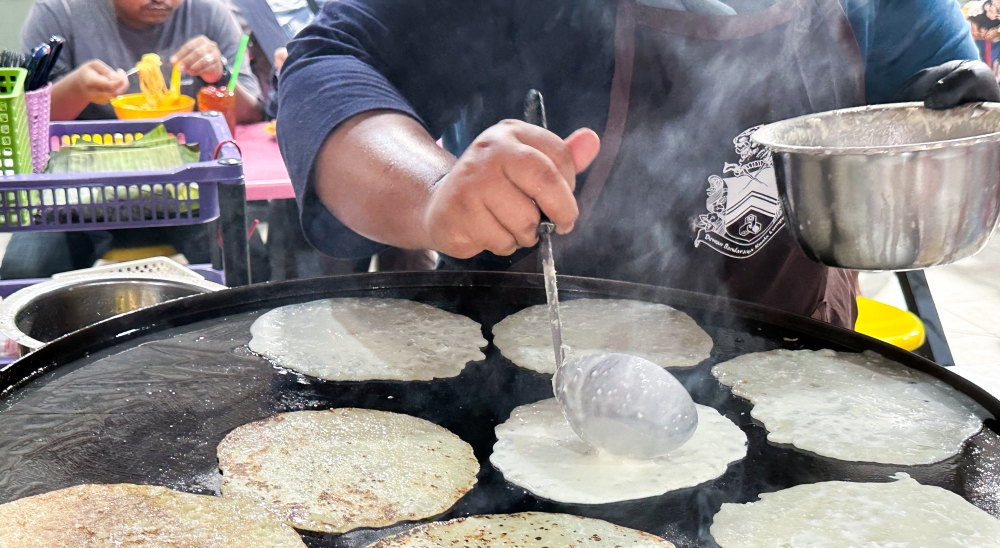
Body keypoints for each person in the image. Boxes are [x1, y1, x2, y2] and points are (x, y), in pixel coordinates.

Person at [277, 0, 999, 329]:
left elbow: (934, 118)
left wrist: (966, 131)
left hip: (790, 368)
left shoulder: (887, 8)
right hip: (527, 386)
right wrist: (433, 191)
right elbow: (330, 61)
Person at [0, 0, 265, 279]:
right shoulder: (60, 11)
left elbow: (253, 113)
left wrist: (218, 75)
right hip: (74, 194)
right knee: (22, 273)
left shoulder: (210, 12)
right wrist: (76, 88)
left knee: (250, 263)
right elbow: (26, 121)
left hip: (186, 191)